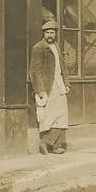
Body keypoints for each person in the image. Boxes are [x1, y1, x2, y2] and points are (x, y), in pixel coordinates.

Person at [29, 19, 70, 155]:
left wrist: (67, 83)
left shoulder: (57, 46)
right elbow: (34, 71)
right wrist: (39, 90)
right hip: (48, 86)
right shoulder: (38, 48)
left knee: (62, 115)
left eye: (52, 32)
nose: (49, 35)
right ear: (43, 33)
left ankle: (52, 144)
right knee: (51, 116)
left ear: (56, 33)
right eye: (47, 32)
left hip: (59, 85)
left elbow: (63, 67)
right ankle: (47, 143)